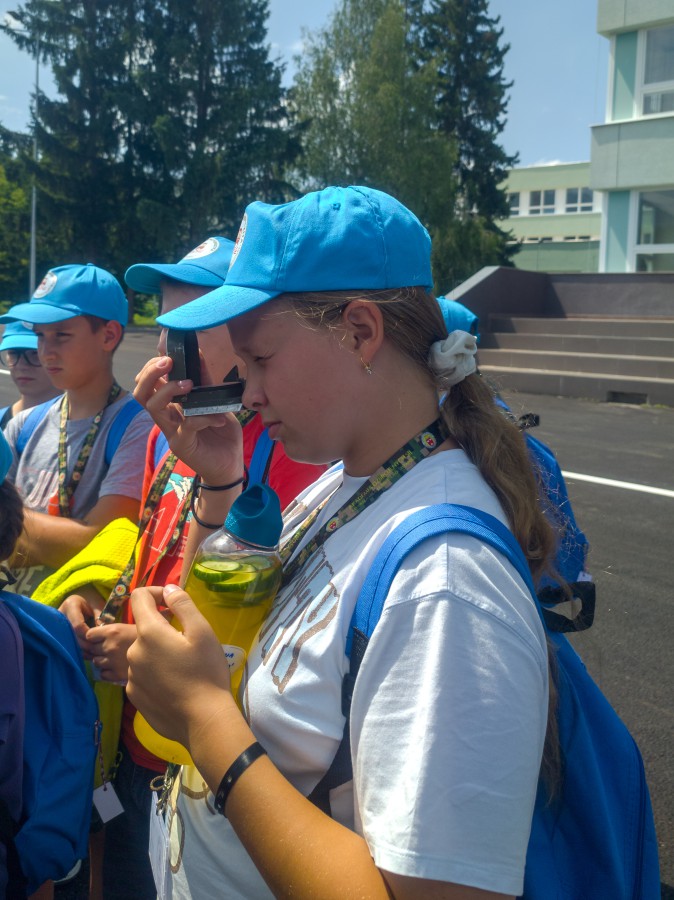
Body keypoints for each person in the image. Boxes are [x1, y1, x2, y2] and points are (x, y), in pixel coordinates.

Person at [126, 185, 558, 900]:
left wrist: (205, 721)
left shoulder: (446, 581)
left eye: (260, 360)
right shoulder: (352, 480)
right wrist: (223, 479)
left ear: (359, 331)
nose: (247, 394)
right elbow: (242, 625)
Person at [59, 237, 326, 900]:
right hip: (135, 726)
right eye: (162, 328)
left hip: (210, 751)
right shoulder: (164, 431)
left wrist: (151, 643)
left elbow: (274, 619)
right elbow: (153, 543)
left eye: (185, 331)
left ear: (246, 335)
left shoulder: (292, 451)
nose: (162, 351)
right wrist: (101, 596)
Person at [0, 263, 153, 597]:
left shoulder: (137, 427)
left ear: (109, 336)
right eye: (41, 336)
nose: (46, 351)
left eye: (61, 335)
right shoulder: (25, 423)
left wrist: (8, 526)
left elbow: (100, 540)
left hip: (67, 620)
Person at [0, 321, 61, 430]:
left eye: (35, 354)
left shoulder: (85, 427)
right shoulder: (2, 423)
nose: (21, 366)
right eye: (13, 353)